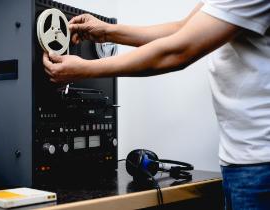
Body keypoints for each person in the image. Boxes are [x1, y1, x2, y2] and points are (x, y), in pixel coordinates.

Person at [43, 1, 270, 209]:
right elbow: (183, 30)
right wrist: (107, 31)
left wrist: (85, 69)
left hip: (260, 164)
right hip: (241, 160)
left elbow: (179, 50)